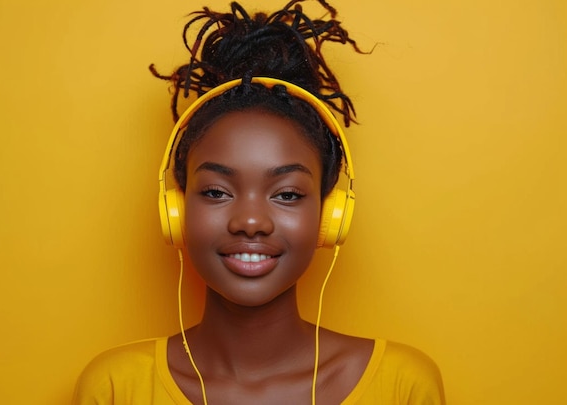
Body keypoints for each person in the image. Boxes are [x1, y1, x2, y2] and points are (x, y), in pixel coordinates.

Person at [72, 1, 446, 404]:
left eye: (287, 194)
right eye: (216, 191)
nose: (250, 221)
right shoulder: (114, 387)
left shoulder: (403, 386)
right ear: (176, 211)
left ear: (330, 215)